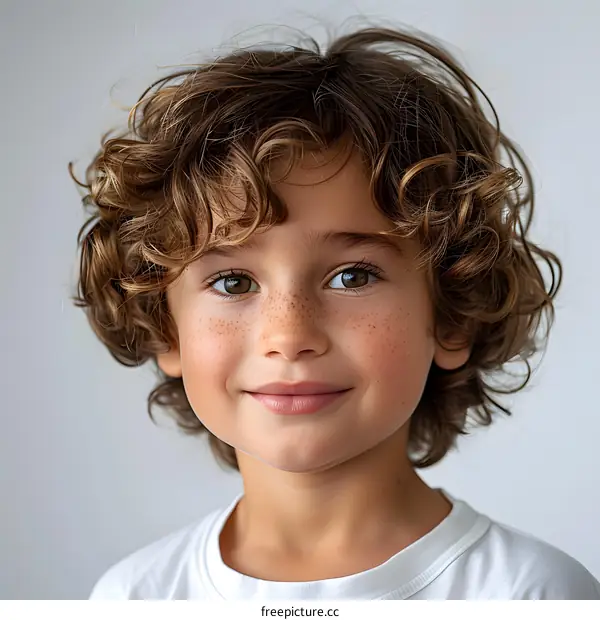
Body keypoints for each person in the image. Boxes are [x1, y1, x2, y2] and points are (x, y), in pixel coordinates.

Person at [71, 23, 600, 600]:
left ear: (453, 315)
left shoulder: (535, 595)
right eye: (232, 281)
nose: (288, 335)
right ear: (165, 327)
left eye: (353, 276)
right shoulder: (132, 597)